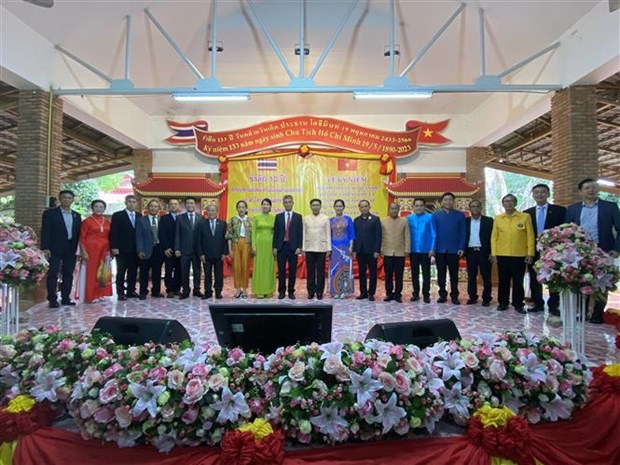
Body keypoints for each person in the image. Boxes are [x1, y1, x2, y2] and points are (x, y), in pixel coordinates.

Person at [566, 178, 620, 324]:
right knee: (581, 282)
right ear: (580, 191)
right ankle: (582, 312)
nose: (591, 190)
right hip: (580, 252)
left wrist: (617, 249)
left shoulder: (610, 207)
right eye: (587, 188)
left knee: (602, 282)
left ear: (598, 190)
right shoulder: (573, 209)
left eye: (594, 187)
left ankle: (597, 314)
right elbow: (567, 231)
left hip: (604, 250)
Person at [524, 184, 566, 315]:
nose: (539, 194)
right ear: (533, 195)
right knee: (534, 276)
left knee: (554, 277)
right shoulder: (527, 213)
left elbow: (563, 230)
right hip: (533, 249)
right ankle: (538, 304)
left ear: (548, 194)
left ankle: (554, 305)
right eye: (536, 192)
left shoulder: (559, 210)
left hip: (553, 250)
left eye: (543, 192)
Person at [491, 194, 534, 313]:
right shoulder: (498, 218)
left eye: (511, 201)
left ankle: (518, 304)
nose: (508, 203)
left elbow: (530, 236)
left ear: (515, 203)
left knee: (518, 281)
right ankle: (503, 302)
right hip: (502, 254)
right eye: (506, 201)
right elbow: (494, 237)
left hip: (519, 254)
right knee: (503, 280)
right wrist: (494, 253)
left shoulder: (525, 217)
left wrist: (530, 253)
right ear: (503, 204)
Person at [41, 189, 82, 308]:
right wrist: (45, 247)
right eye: (64, 197)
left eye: (69, 198)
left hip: (71, 248)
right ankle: (52, 299)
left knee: (68, 274)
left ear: (72, 200)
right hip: (54, 248)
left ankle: (66, 298)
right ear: (59, 199)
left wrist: (79, 250)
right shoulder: (50, 214)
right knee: (53, 274)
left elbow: (79, 234)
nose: (67, 200)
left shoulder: (77, 215)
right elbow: (45, 231)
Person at [433, 192, 466, 305]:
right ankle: (442, 294)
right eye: (446, 200)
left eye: (450, 200)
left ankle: (454, 296)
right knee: (441, 274)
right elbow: (433, 233)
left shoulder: (460, 215)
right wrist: (433, 248)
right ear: (442, 202)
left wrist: (461, 247)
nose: (448, 202)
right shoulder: (436, 215)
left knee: (454, 275)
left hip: (454, 250)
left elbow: (463, 233)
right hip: (439, 250)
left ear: (453, 202)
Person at [78, 199, 112, 304]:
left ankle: (100, 293)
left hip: (104, 249)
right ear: (92, 208)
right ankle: (90, 295)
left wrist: (110, 250)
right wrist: (83, 251)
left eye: (101, 207)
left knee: (102, 272)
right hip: (91, 250)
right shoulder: (87, 221)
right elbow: (82, 237)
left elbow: (110, 237)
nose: (98, 209)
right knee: (92, 272)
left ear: (104, 209)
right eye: (96, 207)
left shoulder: (107, 221)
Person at [110, 194, 141, 301]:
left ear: (136, 204)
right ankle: (120, 292)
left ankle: (131, 291)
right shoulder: (118, 215)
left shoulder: (139, 215)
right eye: (129, 202)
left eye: (134, 202)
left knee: (133, 271)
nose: (132, 204)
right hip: (121, 249)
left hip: (135, 249)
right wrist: (114, 246)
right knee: (121, 271)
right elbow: (114, 232)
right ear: (125, 203)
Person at [272, 195, 303, 300]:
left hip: (293, 247)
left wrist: (300, 247)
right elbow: (276, 233)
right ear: (283, 204)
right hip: (281, 247)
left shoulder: (298, 217)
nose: (288, 204)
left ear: (293, 203)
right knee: (281, 271)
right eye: (286, 202)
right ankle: (281, 291)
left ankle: (291, 291)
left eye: (290, 202)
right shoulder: (278, 217)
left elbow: (300, 233)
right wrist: (274, 247)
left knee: (292, 271)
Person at [464, 200, 494, 307]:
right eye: (473, 206)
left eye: (477, 206)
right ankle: (472, 297)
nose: (475, 208)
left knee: (486, 276)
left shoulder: (489, 221)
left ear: (481, 208)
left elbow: (493, 237)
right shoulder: (466, 221)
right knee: (471, 276)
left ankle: (486, 298)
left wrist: (492, 252)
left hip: (484, 252)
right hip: (470, 252)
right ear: (470, 209)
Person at [196, 204, 228, 299]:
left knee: (219, 275)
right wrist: (201, 254)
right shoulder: (201, 224)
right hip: (206, 255)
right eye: (209, 211)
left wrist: (224, 253)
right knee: (207, 275)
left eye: (213, 210)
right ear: (206, 212)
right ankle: (208, 292)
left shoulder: (223, 224)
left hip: (219, 254)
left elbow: (225, 240)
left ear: (217, 212)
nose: (211, 212)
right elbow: (198, 240)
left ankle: (218, 292)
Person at [406, 198, 435, 303]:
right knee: (414, 273)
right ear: (413, 207)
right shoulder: (409, 218)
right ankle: (415, 294)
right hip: (413, 250)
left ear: (424, 206)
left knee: (426, 274)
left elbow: (433, 233)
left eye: (421, 205)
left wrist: (432, 248)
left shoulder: (430, 217)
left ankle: (426, 294)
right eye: (416, 206)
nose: (419, 208)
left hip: (425, 250)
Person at [381, 203, 410, 303]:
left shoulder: (404, 221)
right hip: (387, 252)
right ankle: (389, 294)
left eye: (395, 209)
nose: (393, 210)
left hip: (400, 253)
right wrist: (381, 249)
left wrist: (407, 249)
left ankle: (398, 294)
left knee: (399, 275)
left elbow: (407, 236)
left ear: (398, 209)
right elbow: (381, 237)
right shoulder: (383, 221)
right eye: (392, 209)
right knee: (388, 275)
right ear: (389, 209)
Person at [353, 200, 381, 301]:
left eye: (366, 206)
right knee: (362, 273)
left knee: (373, 273)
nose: (364, 208)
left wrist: (377, 250)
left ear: (369, 207)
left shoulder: (375, 219)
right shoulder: (356, 220)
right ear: (359, 208)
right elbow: (354, 237)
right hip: (360, 251)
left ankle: (371, 293)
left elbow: (378, 236)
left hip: (372, 251)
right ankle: (363, 293)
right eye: (362, 207)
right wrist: (354, 250)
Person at [302, 198, 331, 300]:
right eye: (313, 205)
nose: (315, 207)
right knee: (310, 272)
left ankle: (319, 292)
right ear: (310, 206)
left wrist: (328, 248)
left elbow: (328, 234)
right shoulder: (305, 218)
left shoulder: (325, 218)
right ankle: (311, 292)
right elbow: (304, 234)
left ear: (320, 206)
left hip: (321, 248)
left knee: (320, 272)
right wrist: (303, 248)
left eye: (317, 205)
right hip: (309, 248)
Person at [175, 197, 203, 299]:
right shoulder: (180, 218)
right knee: (184, 271)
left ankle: (197, 290)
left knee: (197, 271)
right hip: (184, 249)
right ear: (185, 205)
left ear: (195, 205)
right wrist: (177, 248)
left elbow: (202, 235)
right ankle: (185, 291)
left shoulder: (201, 218)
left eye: (192, 203)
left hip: (197, 250)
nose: (190, 205)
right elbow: (177, 234)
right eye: (188, 203)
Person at [136, 199, 164, 300]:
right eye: (151, 206)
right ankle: (143, 292)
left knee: (157, 272)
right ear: (148, 208)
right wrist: (140, 250)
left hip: (158, 250)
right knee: (144, 272)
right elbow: (139, 237)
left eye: (156, 206)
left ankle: (156, 291)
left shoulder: (162, 220)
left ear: (159, 208)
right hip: (145, 250)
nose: (153, 208)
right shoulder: (141, 220)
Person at [329, 199, 355, 299]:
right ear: (334, 207)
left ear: (343, 207)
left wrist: (351, 247)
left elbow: (352, 234)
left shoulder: (348, 219)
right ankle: (335, 291)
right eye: (337, 206)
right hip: (334, 248)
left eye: (340, 206)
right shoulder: (330, 220)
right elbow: (329, 235)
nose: (338, 208)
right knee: (335, 269)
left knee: (345, 269)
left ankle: (344, 290)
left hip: (345, 248)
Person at [227, 200, 252, 299]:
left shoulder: (250, 220)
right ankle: (238, 289)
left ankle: (244, 289)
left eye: (243, 207)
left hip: (247, 244)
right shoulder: (232, 220)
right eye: (239, 207)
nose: (241, 209)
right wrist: (230, 249)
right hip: (235, 244)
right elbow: (229, 236)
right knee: (237, 267)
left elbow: (253, 235)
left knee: (245, 267)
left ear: (246, 209)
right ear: (237, 208)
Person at [252, 198, 276, 298]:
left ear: (270, 207)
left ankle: (269, 290)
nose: (265, 206)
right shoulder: (256, 217)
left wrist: (275, 247)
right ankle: (259, 291)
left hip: (270, 244)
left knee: (269, 267)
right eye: (264, 204)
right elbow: (253, 232)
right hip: (259, 244)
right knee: (259, 267)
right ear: (261, 206)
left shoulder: (274, 218)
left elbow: (276, 233)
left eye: (267, 204)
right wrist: (253, 245)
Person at [159, 199, 182, 298]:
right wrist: (165, 248)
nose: (173, 206)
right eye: (171, 204)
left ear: (178, 206)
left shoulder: (182, 218)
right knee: (168, 270)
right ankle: (169, 290)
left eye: (175, 204)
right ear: (168, 206)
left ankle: (177, 289)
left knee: (179, 270)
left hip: (180, 249)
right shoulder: (164, 218)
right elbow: (161, 234)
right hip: (169, 249)